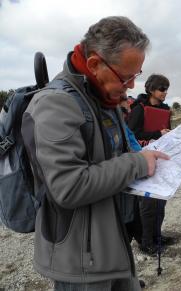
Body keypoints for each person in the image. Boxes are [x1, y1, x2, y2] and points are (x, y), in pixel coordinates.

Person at [21, 16, 169, 291]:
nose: (132, 87)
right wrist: (137, 163)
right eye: (126, 77)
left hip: (110, 241)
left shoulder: (103, 96)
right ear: (94, 64)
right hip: (81, 260)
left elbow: (114, 157)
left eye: (135, 76)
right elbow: (68, 186)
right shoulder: (55, 104)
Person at [128, 74, 173, 255]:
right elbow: (131, 134)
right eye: (162, 89)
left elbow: (165, 133)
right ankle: (146, 242)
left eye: (166, 89)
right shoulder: (139, 109)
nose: (165, 93)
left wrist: (168, 134)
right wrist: (156, 132)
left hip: (159, 159)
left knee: (160, 201)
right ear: (151, 89)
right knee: (147, 204)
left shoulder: (165, 109)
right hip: (143, 159)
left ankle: (157, 236)